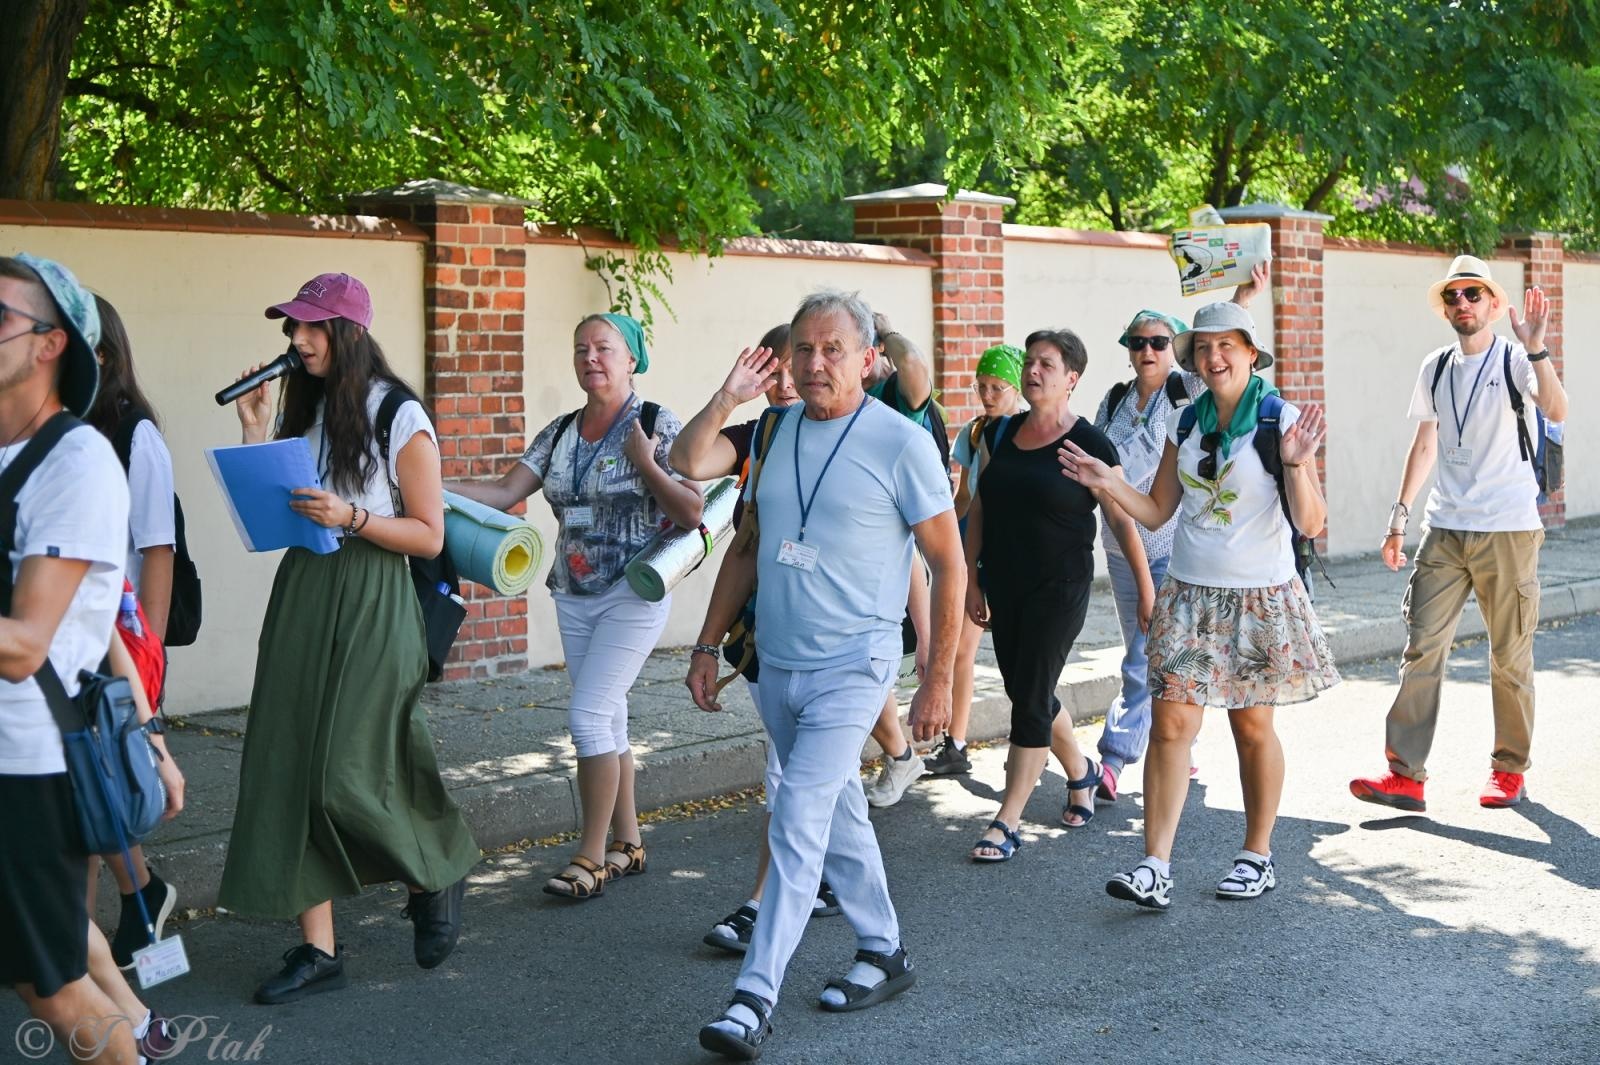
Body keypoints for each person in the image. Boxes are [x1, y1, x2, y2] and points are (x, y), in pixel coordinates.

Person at [687, 290, 962, 1060]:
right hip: (778, 662)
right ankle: (884, 949)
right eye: (803, 349)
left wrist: (936, 677)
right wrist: (708, 643)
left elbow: (947, 560)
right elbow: (742, 542)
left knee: (796, 812)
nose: (815, 363)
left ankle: (752, 995)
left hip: (857, 664)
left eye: (833, 349)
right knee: (835, 808)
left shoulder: (900, 441)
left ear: (869, 360)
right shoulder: (773, 430)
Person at [218, 273, 478, 1002]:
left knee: (344, 768)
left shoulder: (398, 412)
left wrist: (350, 517)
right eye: (292, 329)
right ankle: (318, 948)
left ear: (349, 333)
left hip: (373, 590)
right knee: (289, 758)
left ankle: (438, 864)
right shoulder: (306, 407)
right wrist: (252, 427)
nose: (297, 340)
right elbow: (277, 522)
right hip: (304, 587)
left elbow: (429, 536)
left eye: (312, 328)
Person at [1061, 300, 1338, 907]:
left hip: (1258, 599)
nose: (1214, 358)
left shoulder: (1278, 418)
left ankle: (1256, 855)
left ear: (1248, 351)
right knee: (1170, 726)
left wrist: (1296, 465)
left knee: (1251, 727)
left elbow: (1312, 522)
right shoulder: (1184, 422)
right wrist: (1108, 482)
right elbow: (1159, 509)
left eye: (1226, 346)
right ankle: (1154, 865)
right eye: (1204, 348)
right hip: (1190, 597)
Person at [0, 253, 183, 1063]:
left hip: (24, 760)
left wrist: (150, 728)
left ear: (50, 345)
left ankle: (131, 1041)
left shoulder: (76, 461)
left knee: (51, 980)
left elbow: (26, 645)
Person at [451, 312, 703, 901]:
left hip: (634, 592)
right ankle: (630, 842)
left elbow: (691, 512)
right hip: (573, 591)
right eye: (580, 347)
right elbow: (506, 494)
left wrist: (646, 462)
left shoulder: (655, 423)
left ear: (632, 359)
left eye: (605, 348)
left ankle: (590, 856)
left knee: (588, 717)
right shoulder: (561, 431)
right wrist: (428, 488)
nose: (591, 357)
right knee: (607, 716)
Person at [1350, 256, 1568, 812]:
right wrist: (1399, 518)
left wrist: (1537, 347)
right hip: (1444, 527)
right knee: (1421, 646)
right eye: (1454, 296)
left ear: (1493, 304)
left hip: (1508, 529)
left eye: (1474, 294)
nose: (1463, 303)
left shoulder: (1517, 358)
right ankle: (1405, 774)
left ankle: (1509, 769)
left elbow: (1558, 408)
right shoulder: (1437, 366)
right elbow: (1426, 444)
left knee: (1508, 655)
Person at [670, 328, 845, 953]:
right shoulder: (762, 437)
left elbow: (915, 551)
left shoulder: (861, 436)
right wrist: (727, 397)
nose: (789, 381)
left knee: (796, 777)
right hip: (776, 636)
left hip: (846, 640)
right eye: (775, 371)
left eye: (801, 364)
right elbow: (688, 463)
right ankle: (821, 889)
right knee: (801, 776)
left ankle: (766, 903)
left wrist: (934, 660)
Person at [965, 330, 1146, 861]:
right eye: (1030, 362)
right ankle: (1082, 771)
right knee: (1031, 691)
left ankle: (1007, 818)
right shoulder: (1001, 434)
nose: (1033, 371)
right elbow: (979, 509)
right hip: (1004, 584)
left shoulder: (1089, 444)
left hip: (1060, 587)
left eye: (1047, 363)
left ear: (1072, 378)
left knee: (1031, 692)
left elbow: (1120, 518)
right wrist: (973, 579)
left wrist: (1147, 588)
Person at [1089, 264, 1267, 802]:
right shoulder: (1115, 400)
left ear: (1174, 350)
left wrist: (1244, 295)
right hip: (1121, 548)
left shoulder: (1182, 390)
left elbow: (1222, 356)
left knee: (1144, 656)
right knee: (1151, 653)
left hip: (1169, 552)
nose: (1148, 350)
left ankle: (1115, 757)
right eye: (1138, 342)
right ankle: (1179, 746)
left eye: (1159, 342)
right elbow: (1104, 473)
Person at [83, 294, 180, 970]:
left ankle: (76, 943)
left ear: (102, 356)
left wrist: (148, 662)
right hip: (74, 631)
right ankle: (138, 893)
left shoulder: (134, 434)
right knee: (91, 782)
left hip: (119, 634)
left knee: (94, 779)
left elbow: (157, 551)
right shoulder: (53, 431)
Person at [925, 343, 1025, 778]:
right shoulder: (975, 432)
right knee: (962, 650)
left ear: (1017, 388)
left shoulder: (1029, 433)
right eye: (981, 386)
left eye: (996, 387)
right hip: (971, 550)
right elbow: (964, 495)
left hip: (1013, 553)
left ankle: (1033, 742)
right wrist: (945, 540)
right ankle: (956, 743)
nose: (986, 395)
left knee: (1022, 659)